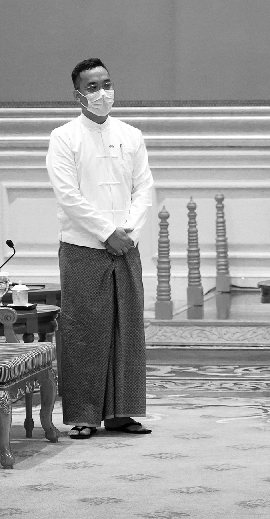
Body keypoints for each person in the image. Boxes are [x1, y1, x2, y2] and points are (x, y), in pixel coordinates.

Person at [45, 58, 154, 439]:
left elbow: (144, 188)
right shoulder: (64, 137)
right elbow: (68, 196)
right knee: (85, 332)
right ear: (78, 95)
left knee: (127, 329)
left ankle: (122, 413)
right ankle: (84, 415)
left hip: (126, 246)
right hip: (83, 247)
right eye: (92, 87)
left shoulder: (131, 135)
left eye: (106, 84)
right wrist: (107, 232)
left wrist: (128, 232)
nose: (102, 93)